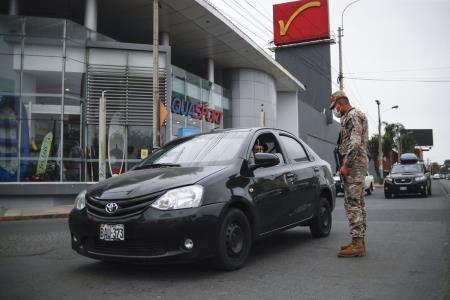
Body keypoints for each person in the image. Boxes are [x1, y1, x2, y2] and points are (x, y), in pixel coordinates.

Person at [330, 90, 369, 257]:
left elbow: (355, 144)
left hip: (353, 166)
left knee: (353, 203)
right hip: (356, 165)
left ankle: (358, 243)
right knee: (357, 203)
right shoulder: (351, 116)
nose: (335, 110)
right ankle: (357, 241)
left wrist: (346, 164)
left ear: (341, 103)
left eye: (335, 106)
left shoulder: (353, 116)